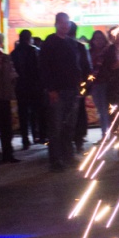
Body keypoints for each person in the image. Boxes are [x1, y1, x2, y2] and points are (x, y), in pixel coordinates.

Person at [39, 12, 82, 171]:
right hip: (57, 91)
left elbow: (76, 66)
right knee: (56, 127)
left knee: (69, 126)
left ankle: (68, 156)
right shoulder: (50, 42)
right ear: (56, 23)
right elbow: (44, 68)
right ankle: (55, 160)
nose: (66, 25)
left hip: (72, 90)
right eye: (62, 22)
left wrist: (78, 86)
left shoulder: (72, 43)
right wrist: (51, 89)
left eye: (67, 22)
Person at [10, 29, 44, 149]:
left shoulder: (14, 53)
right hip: (34, 86)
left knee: (23, 113)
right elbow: (39, 69)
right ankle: (36, 135)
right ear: (29, 38)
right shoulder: (34, 51)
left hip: (20, 87)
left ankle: (25, 139)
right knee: (36, 111)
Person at [0, 31, 19, 164]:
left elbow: (13, 74)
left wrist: (11, 87)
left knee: (6, 128)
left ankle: (8, 154)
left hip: (5, 97)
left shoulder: (6, 58)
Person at [68, 22, 92, 155]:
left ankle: (76, 142)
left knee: (74, 114)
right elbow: (88, 68)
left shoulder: (80, 47)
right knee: (78, 114)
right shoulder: (80, 47)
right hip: (75, 86)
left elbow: (87, 69)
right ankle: (78, 141)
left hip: (73, 86)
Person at [88, 29, 111, 136]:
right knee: (101, 110)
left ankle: (108, 134)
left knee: (106, 110)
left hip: (107, 84)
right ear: (92, 40)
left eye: (101, 38)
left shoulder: (108, 52)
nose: (99, 41)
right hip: (95, 85)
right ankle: (105, 134)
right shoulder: (90, 52)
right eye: (96, 39)